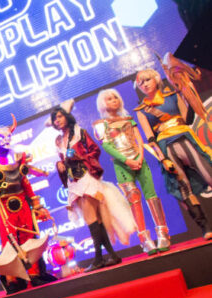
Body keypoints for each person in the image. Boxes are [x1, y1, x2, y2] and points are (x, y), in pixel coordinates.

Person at [0, 114, 56, 293]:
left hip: (23, 204)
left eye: (8, 137)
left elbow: (25, 183)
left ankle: (35, 275)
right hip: (4, 207)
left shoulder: (18, 159)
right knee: (9, 241)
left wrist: (37, 206)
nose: (6, 140)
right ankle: (13, 280)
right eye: (2, 137)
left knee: (30, 238)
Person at [53, 106, 135, 271]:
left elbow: (95, 150)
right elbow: (63, 160)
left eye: (60, 116)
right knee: (96, 220)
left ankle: (98, 258)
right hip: (74, 182)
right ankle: (112, 255)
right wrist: (60, 164)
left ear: (67, 117)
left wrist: (80, 157)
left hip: (86, 177)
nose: (57, 120)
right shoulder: (59, 140)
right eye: (55, 118)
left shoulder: (80, 133)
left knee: (91, 218)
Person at [134, 68, 212, 239]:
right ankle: (205, 227)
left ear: (156, 79)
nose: (144, 84)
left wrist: (187, 93)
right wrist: (162, 159)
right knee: (183, 187)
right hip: (165, 147)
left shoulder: (172, 95)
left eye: (147, 80)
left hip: (186, 138)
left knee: (209, 173)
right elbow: (150, 138)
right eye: (140, 83)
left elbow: (188, 118)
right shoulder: (142, 110)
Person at [94, 88, 170, 254]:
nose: (113, 100)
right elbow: (107, 146)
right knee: (134, 199)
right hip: (122, 165)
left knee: (152, 196)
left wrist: (140, 157)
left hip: (140, 160)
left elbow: (138, 139)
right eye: (109, 99)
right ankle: (144, 239)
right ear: (102, 104)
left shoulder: (128, 119)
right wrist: (127, 161)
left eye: (115, 97)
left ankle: (163, 233)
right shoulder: (100, 125)